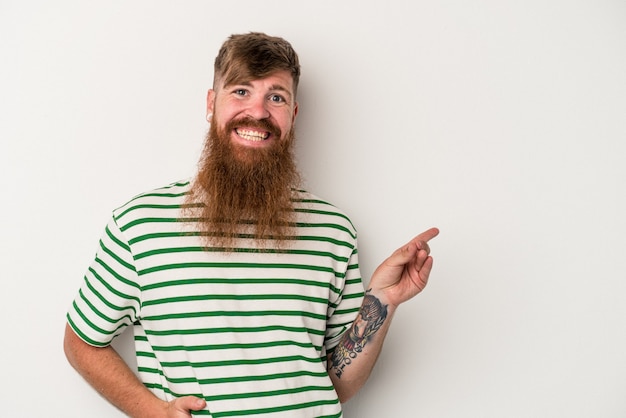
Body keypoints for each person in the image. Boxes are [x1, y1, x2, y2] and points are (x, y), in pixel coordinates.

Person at [64, 32, 439, 418]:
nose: (258, 112)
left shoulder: (333, 230)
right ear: (212, 104)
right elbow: (81, 342)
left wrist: (382, 301)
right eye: (241, 91)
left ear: (292, 115)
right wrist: (149, 410)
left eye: (276, 97)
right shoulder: (140, 225)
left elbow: (339, 384)